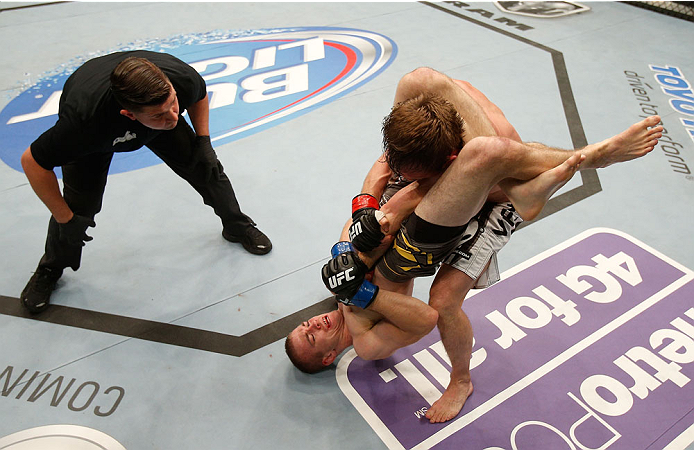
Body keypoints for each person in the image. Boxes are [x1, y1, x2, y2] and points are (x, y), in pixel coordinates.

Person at [287, 67, 663, 424]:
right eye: (312, 335)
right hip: (415, 248)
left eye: (305, 325)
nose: (313, 323)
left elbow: (380, 173)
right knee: (445, 297)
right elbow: (425, 319)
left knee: (419, 82)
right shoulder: (367, 343)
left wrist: (356, 227)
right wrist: (364, 292)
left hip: (413, 229)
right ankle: (461, 380)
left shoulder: (336, 294)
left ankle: (515, 186)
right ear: (329, 357)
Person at [19, 50, 272, 314]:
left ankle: (237, 226)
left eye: (173, 104)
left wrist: (203, 140)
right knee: (79, 207)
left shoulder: (178, 81)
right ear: (129, 115)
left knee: (207, 169)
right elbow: (33, 162)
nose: (174, 117)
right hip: (95, 141)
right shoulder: (83, 124)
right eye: (161, 114)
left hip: (150, 126)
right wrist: (65, 219)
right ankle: (50, 268)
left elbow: (198, 96)